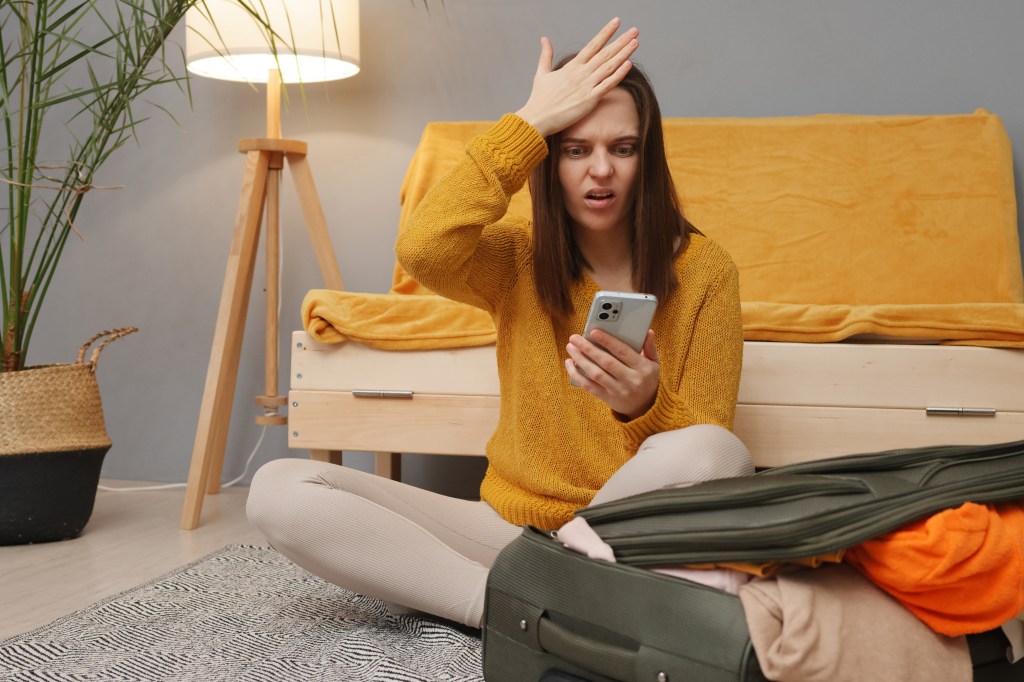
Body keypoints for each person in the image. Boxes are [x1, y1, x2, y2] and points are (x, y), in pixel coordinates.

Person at [247, 18, 752, 629]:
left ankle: (538, 598)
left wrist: (644, 401)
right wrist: (528, 124)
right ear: (549, 160)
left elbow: (705, 451)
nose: (600, 170)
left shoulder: (705, 272)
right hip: (508, 531)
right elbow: (423, 248)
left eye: (622, 148)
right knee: (278, 487)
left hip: (627, 533)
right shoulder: (516, 257)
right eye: (574, 149)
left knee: (716, 448)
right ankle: (516, 610)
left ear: (647, 159)